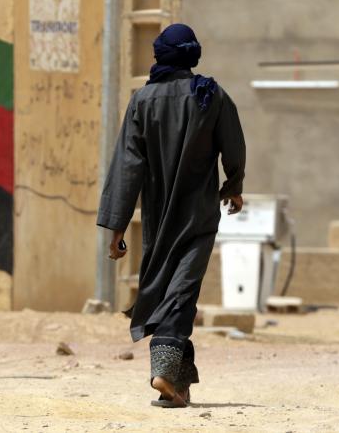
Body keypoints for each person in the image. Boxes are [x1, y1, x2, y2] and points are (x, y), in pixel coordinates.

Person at [97, 23, 246, 408]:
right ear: (192, 55)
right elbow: (233, 144)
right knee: (181, 292)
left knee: (168, 290)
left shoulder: (141, 101)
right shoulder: (209, 95)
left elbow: (126, 167)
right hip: (197, 215)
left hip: (157, 219)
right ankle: (163, 371)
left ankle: (176, 389)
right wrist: (233, 185)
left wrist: (116, 227)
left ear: (160, 54)